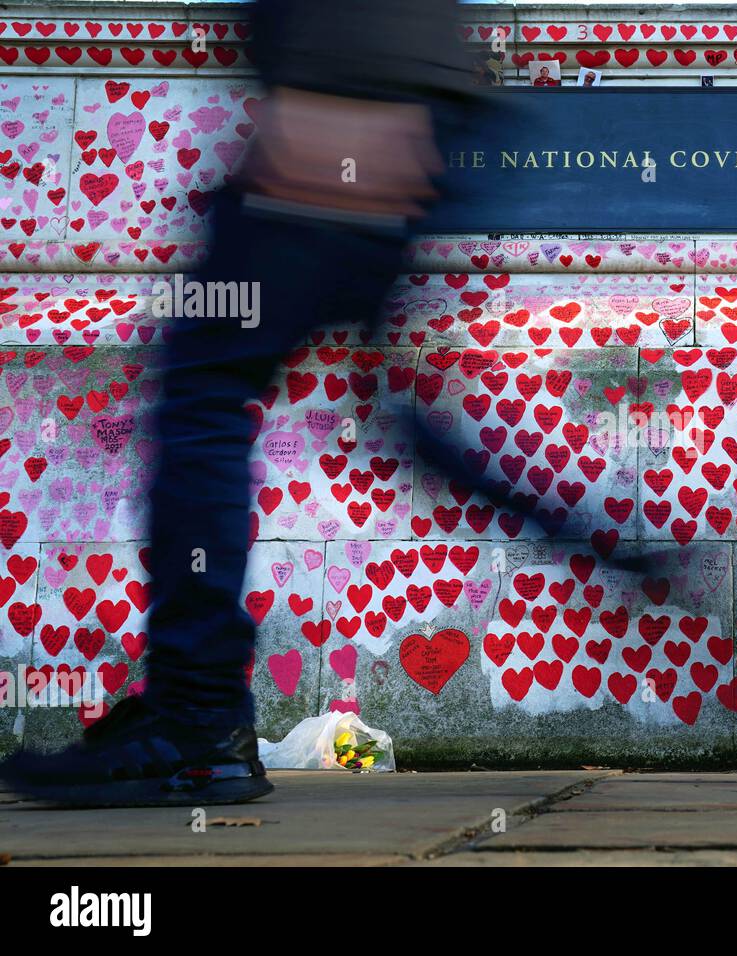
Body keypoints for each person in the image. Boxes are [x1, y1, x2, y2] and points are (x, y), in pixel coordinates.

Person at [0, 0, 649, 809]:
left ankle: (197, 722)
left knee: (202, 396)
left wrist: (337, 106)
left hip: (346, 109)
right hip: (405, 112)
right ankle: (603, 539)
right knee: (397, 422)